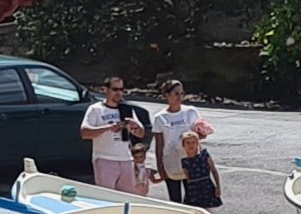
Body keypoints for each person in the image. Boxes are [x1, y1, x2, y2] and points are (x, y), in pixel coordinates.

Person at [151, 79, 218, 207]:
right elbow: (159, 145)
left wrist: (197, 134)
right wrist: (160, 166)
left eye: (182, 93)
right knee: (175, 201)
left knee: (194, 200)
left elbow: (201, 134)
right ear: (167, 95)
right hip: (171, 161)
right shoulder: (160, 117)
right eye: (176, 94)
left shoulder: (190, 112)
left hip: (192, 163)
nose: (180, 97)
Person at [82, 73, 148, 194]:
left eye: (121, 90)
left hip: (126, 159)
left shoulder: (127, 109)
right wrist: (107, 128)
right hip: (104, 158)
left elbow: (141, 134)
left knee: (127, 197)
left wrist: (135, 126)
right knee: (106, 196)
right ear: (105, 90)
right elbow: (85, 133)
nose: (119, 93)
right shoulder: (96, 109)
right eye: (115, 89)